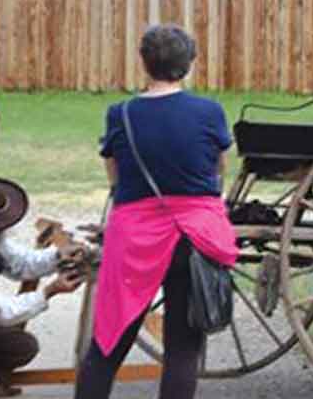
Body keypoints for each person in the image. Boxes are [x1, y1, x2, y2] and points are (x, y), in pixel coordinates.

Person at [77, 24, 238, 399]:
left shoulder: (122, 114)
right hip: (194, 235)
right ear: (189, 64)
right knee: (183, 349)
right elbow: (218, 168)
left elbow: (114, 171)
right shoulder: (208, 111)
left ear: (144, 63)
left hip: (135, 238)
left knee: (107, 346)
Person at [0, 177, 86, 397]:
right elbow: (3, 312)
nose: (2, 230)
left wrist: (58, 255)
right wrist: (49, 291)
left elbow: (21, 263)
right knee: (19, 345)